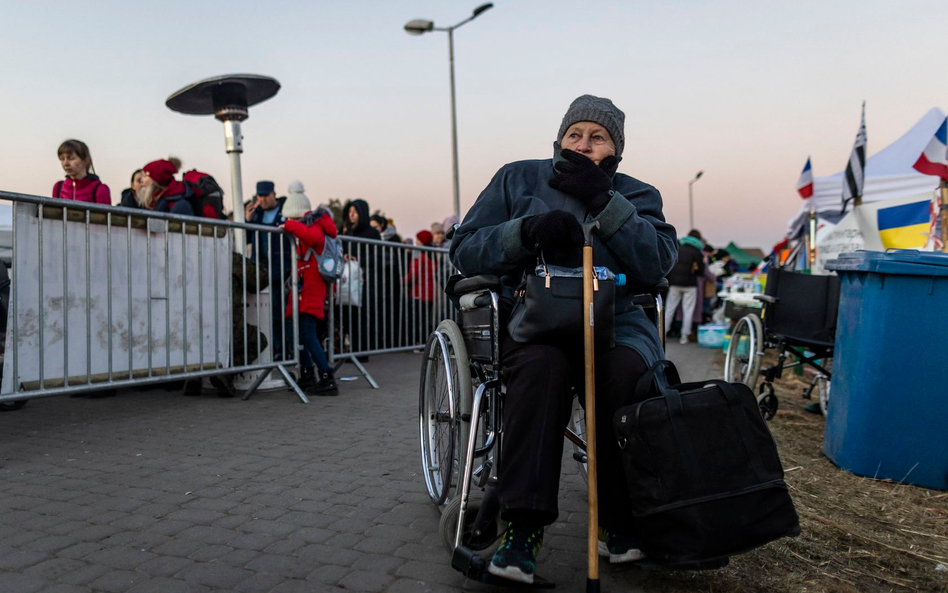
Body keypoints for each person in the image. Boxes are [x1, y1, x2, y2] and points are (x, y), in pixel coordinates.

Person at [450, 94, 677, 584]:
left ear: (615, 150)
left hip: (615, 323)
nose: (583, 144)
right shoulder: (518, 177)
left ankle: (618, 520)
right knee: (542, 370)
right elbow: (466, 250)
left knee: (626, 376)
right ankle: (523, 529)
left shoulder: (637, 194)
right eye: (575, 134)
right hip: (535, 320)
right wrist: (526, 231)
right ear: (559, 138)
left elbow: (656, 263)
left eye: (597, 138)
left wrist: (604, 200)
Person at [279, 190, 339, 396]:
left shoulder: (314, 227)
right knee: (300, 335)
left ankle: (325, 376)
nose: (288, 221)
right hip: (305, 287)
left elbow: (312, 238)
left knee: (307, 334)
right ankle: (308, 375)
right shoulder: (314, 225)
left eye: (291, 217)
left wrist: (289, 225)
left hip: (311, 287)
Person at [246, 180, 293, 359]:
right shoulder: (255, 214)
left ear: (274, 194)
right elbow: (246, 238)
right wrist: (247, 221)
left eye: (266, 195)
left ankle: (280, 350)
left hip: (279, 271)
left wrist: (287, 266)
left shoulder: (285, 212)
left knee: (278, 313)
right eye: (260, 196)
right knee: (261, 314)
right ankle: (270, 350)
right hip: (260, 270)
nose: (263, 199)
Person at [340, 199, 381, 355]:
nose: (351, 215)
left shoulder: (372, 233)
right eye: (350, 211)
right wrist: (345, 256)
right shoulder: (348, 232)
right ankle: (352, 349)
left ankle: (362, 351)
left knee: (362, 316)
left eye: (355, 212)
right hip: (349, 279)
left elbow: (376, 255)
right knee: (348, 313)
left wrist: (359, 259)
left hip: (365, 280)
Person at [665, 230, 706, 345]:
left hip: (674, 283)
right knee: (688, 310)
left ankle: (663, 333)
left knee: (669, 309)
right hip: (690, 284)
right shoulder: (697, 252)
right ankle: (684, 336)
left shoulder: (678, 249)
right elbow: (701, 271)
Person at [53, 139, 111, 205]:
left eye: (71, 158)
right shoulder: (58, 187)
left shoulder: (100, 189)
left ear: (85, 160)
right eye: (62, 159)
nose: (65, 163)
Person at [403, 230, 437, 344]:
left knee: (416, 319)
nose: (416, 242)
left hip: (418, 292)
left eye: (418, 240)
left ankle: (417, 343)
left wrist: (402, 281)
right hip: (430, 293)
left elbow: (414, 273)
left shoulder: (418, 255)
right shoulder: (432, 255)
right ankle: (426, 343)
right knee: (426, 319)